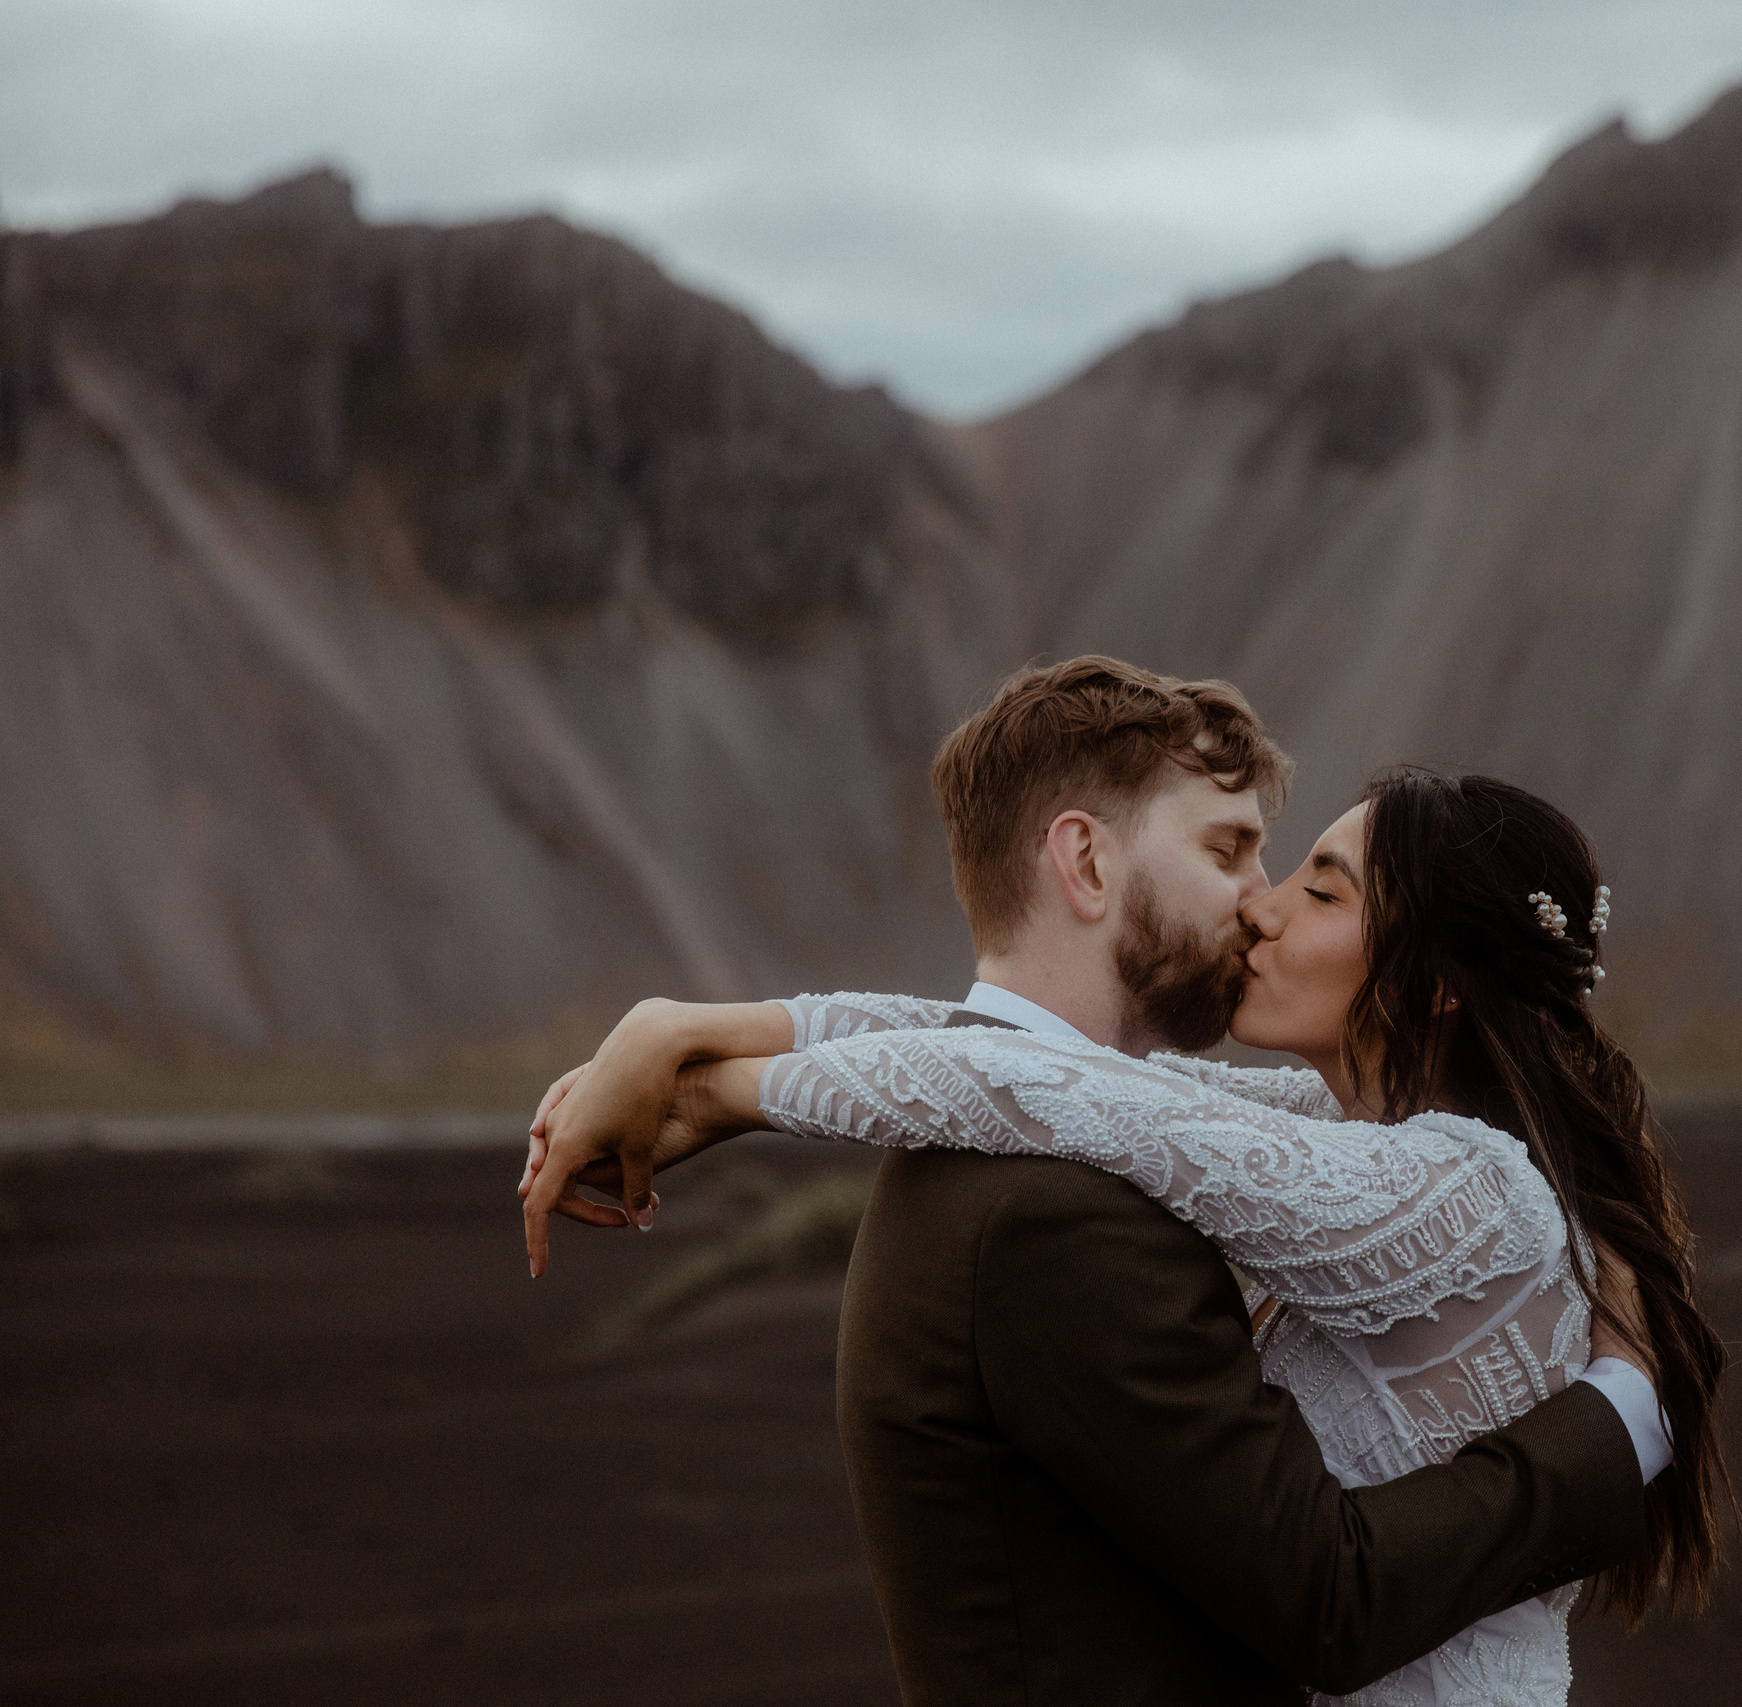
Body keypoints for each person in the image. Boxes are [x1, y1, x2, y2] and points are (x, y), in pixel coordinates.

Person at [523, 658, 1682, 1707]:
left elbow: (1050, 1085)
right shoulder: (1050, 1206)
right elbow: (1036, 1078)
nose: (1258, 902)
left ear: (1434, 982)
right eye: (1230, 852)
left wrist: (719, 1077)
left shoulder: (1423, 1182)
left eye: (1307, 883)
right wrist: (695, 1040)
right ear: (1085, 860)